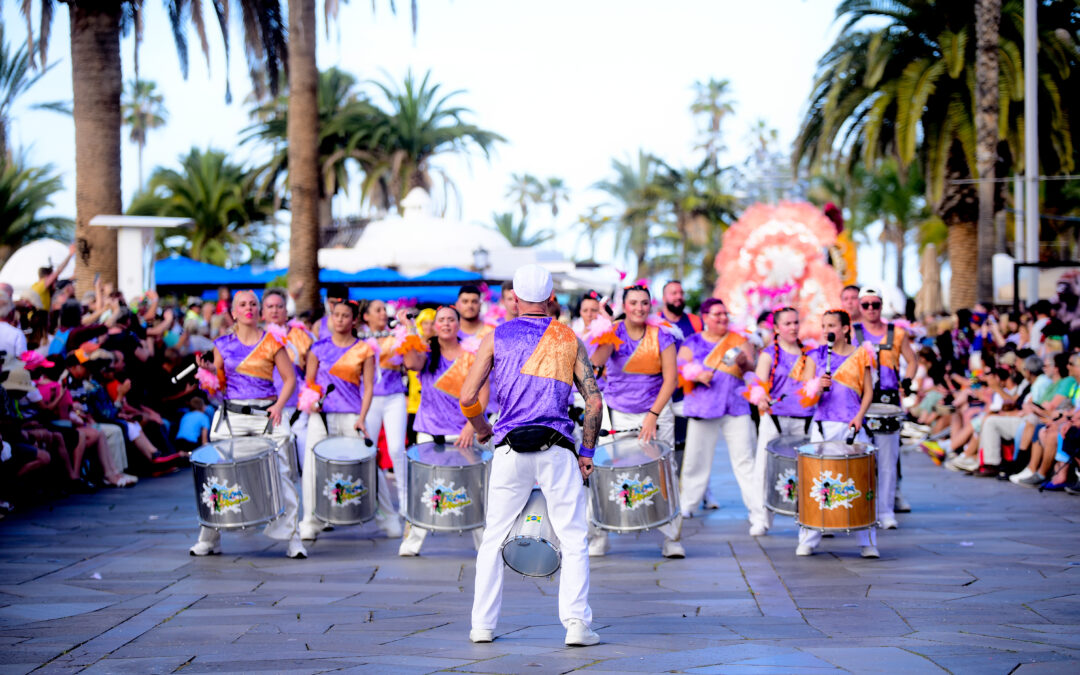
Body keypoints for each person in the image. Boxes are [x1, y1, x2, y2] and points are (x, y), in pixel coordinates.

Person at [460, 263, 602, 647]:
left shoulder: (496, 336)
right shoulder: (568, 338)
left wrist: (484, 430)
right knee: (573, 537)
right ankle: (576, 624)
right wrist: (587, 452)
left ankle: (482, 626)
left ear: (515, 299)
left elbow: (467, 398)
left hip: (508, 448)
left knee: (493, 536)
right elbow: (593, 401)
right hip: (556, 448)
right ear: (551, 298)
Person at [189, 290, 304, 559]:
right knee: (216, 475)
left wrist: (278, 405)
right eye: (243, 304)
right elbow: (217, 386)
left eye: (254, 303)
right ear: (234, 312)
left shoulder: (273, 341)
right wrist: (206, 372)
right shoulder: (221, 344)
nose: (249, 308)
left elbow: (290, 380)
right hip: (233, 416)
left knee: (283, 474)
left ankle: (293, 538)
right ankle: (209, 537)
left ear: (260, 310)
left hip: (267, 415)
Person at [589, 284, 683, 558]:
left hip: (656, 411)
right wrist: (605, 330)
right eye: (633, 303)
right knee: (604, 471)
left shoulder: (661, 335)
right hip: (617, 411)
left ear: (650, 305)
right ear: (624, 305)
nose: (639, 308)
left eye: (644, 303)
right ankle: (599, 535)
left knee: (665, 472)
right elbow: (596, 363)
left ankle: (672, 538)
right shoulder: (614, 332)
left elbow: (671, 379)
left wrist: (652, 416)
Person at [299, 300, 399, 542]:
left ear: (354, 320)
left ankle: (389, 517)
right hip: (321, 418)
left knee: (368, 465)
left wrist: (363, 417)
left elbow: (367, 388)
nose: (340, 319)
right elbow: (309, 382)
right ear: (331, 317)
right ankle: (311, 520)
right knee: (312, 467)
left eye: (346, 316)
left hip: (353, 416)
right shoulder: (318, 348)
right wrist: (311, 402)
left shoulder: (364, 349)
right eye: (336, 315)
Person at [399, 305, 490, 556]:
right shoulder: (426, 351)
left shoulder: (471, 355)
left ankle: (484, 544)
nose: (447, 324)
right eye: (442, 320)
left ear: (459, 324)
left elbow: (483, 393)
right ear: (435, 325)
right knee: (421, 486)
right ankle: (412, 542)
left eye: (451, 319)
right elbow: (411, 362)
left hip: (460, 432)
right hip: (428, 431)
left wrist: (471, 425)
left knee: (472, 486)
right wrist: (408, 330)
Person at [797, 309, 877, 558]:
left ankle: (867, 541)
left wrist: (860, 415)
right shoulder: (814, 355)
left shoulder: (861, 354)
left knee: (861, 481)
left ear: (845, 329)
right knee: (816, 481)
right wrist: (817, 387)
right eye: (824, 325)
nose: (826, 330)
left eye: (832, 325)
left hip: (853, 425)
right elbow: (805, 395)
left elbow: (868, 391)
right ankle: (809, 538)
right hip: (823, 425)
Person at [677, 299, 761, 531]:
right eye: (717, 314)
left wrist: (744, 362)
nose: (723, 318)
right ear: (705, 316)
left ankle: (758, 513)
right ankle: (688, 504)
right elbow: (680, 367)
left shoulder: (739, 340)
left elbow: (751, 369)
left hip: (735, 406)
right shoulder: (692, 341)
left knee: (745, 460)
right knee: (695, 459)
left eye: (725, 313)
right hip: (703, 407)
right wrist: (695, 375)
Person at [852, 288, 917, 529]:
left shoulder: (897, 333)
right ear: (860, 307)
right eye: (866, 304)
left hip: (888, 402)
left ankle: (886, 510)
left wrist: (907, 381)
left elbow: (912, 360)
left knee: (888, 460)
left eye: (875, 304)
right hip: (860, 402)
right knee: (860, 459)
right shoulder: (852, 333)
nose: (871, 309)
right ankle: (861, 508)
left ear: (882, 305)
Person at [750, 307, 817, 535]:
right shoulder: (768, 354)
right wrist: (761, 399)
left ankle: (812, 516)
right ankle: (761, 518)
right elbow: (758, 384)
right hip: (775, 418)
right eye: (787, 323)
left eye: (796, 322)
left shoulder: (810, 353)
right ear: (777, 328)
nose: (793, 327)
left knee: (809, 469)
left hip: (804, 418)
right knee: (764, 467)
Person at [360, 300, 409, 513]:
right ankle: (379, 502)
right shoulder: (358, 340)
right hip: (368, 400)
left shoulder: (396, 336)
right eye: (377, 310)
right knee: (367, 450)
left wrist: (408, 328)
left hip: (394, 397)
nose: (382, 313)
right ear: (366, 316)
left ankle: (406, 503)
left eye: (384, 310)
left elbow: (411, 356)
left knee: (397, 448)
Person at [263, 288, 312, 472]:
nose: (275, 311)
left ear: (286, 310)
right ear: (263, 311)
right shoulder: (257, 338)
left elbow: (311, 369)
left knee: (306, 455)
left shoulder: (300, 335)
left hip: (297, 404)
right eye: (270, 307)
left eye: (279, 306)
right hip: (268, 405)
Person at [28, 244, 75, 312]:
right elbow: (58, 271)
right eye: (53, 279)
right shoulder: (40, 286)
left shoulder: (37, 287)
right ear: (47, 277)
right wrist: (70, 255)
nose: (55, 281)